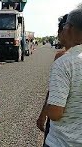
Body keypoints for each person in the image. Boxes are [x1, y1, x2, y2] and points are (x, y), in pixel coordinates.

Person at [45, 8, 82, 146]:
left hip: (62, 142)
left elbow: (55, 113)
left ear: (70, 28)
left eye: (65, 25)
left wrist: (47, 108)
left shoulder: (65, 63)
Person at [36, 14, 68, 145]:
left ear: (66, 31)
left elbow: (53, 92)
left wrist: (43, 115)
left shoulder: (62, 57)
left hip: (61, 129)